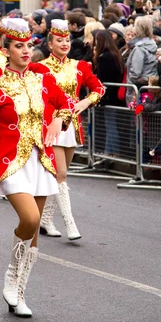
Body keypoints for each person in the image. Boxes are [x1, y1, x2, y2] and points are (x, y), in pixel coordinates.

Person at [0, 18, 72, 318]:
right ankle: (12, 273)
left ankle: (19, 292)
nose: (26, 51)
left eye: (28, 46)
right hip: (11, 163)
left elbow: (66, 105)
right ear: (5, 49)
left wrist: (58, 120)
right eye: (18, 46)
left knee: (34, 231)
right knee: (31, 218)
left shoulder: (44, 78)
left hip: (41, 161)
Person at [37, 20, 105, 240]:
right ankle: (70, 224)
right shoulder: (40, 68)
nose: (64, 44)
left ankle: (45, 220)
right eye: (59, 40)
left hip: (72, 126)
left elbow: (99, 88)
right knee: (61, 174)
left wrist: (85, 102)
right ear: (50, 44)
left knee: (56, 175)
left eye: (67, 40)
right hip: (51, 126)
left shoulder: (80, 66)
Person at [93, 30, 124, 157]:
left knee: (110, 125)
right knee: (110, 124)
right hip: (114, 94)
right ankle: (108, 151)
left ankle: (114, 152)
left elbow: (103, 78)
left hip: (108, 95)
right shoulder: (115, 54)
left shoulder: (104, 57)